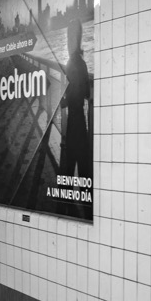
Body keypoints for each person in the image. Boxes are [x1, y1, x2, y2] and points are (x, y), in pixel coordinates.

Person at [59, 19, 91, 180]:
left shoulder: (70, 63)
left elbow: (69, 98)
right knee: (84, 168)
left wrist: (62, 100)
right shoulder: (83, 64)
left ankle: (67, 203)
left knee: (69, 168)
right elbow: (86, 93)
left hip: (72, 123)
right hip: (82, 122)